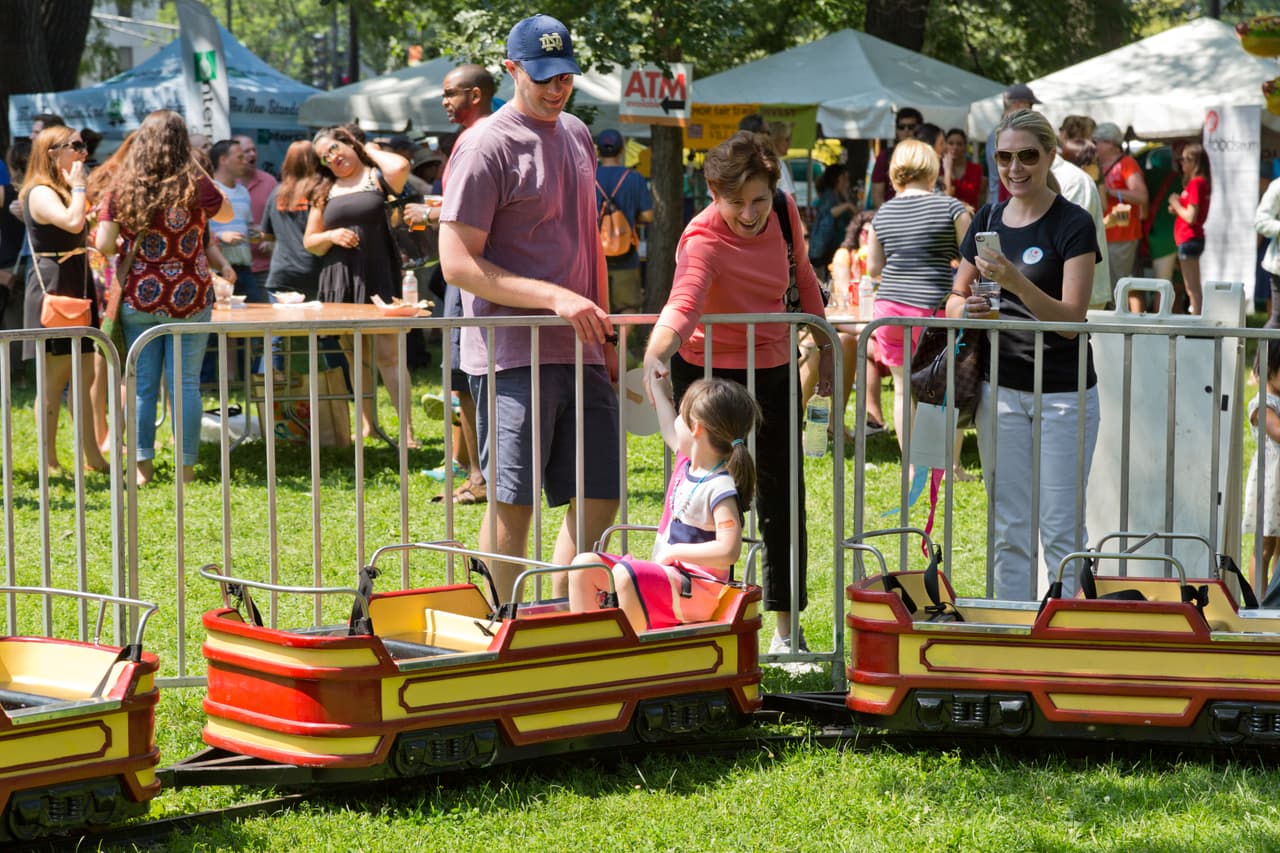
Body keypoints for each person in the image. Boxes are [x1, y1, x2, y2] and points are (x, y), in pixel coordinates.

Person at [437, 14, 619, 603]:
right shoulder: (484, 143)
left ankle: (555, 612)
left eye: (565, 75)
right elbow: (458, 264)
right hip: (511, 352)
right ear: (511, 70)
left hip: (583, 347)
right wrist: (554, 298)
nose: (556, 87)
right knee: (512, 502)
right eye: (542, 76)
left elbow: (587, 244)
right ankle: (498, 624)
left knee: (600, 492)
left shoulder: (577, 134)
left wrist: (605, 335)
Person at [642, 130, 831, 655]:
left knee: (781, 496)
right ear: (711, 193)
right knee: (702, 501)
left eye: (759, 201)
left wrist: (825, 343)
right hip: (707, 376)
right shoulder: (700, 239)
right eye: (735, 203)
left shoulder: (786, 212)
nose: (749, 214)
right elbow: (684, 302)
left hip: (771, 367)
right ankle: (699, 618)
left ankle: (786, 634)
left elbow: (805, 278)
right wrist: (656, 352)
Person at [947, 109, 1101, 601]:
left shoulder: (1073, 222)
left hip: (1064, 394)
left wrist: (1014, 280)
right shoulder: (988, 218)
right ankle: (1010, 642)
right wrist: (964, 307)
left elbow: (1072, 322)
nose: (1014, 167)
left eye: (1027, 156)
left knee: (1061, 530)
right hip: (1001, 390)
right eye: (1004, 156)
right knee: (1009, 527)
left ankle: (1069, 645)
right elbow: (953, 299)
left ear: (1050, 155)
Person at [94, 110, 233, 485]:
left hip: (140, 295)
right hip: (190, 295)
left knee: (142, 386)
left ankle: (142, 470)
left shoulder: (122, 187)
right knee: (185, 384)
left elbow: (104, 244)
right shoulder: (195, 185)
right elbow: (228, 213)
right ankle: (186, 471)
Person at [568, 377, 760, 633]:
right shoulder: (687, 464)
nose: (675, 422)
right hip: (673, 578)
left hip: (698, 588)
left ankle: (626, 654)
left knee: (627, 575)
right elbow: (668, 427)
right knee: (585, 566)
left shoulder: (719, 487)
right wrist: (658, 390)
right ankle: (589, 644)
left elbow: (729, 550)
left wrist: (676, 552)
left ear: (697, 429)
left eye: (680, 415)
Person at [408, 62, 496, 506]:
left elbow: (478, 214)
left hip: (471, 279)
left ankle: (481, 477)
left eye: (450, 93)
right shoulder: (484, 137)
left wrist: (429, 214)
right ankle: (474, 472)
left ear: (475, 95)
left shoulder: (482, 138)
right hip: (467, 279)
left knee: (468, 377)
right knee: (463, 378)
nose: (444, 101)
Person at [865, 139, 973, 478]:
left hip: (890, 307)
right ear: (933, 169)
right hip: (935, 308)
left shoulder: (883, 212)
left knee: (901, 388)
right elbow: (972, 258)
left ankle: (912, 465)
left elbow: (872, 268)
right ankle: (950, 465)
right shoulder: (952, 208)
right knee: (946, 391)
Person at [303, 125, 415, 444]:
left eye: (336, 149)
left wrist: (364, 149)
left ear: (349, 144)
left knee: (389, 355)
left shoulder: (377, 178)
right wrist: (330, 235)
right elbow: (310, 241)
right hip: (340, 278)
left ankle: (406, 431)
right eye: (325, 157)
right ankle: (368, 424)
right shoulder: (324, 191)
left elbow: (401, 166)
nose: (332, 158)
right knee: (355, 356)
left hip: (380, 275)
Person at [22, 125, 109, 475]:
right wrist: (78, 186)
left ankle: (92, 456)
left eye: (83, 145)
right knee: (54, 381)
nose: (82, 152)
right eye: (74, 146)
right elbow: (73, 223)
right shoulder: (40, 191)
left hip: (76, 284)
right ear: (51, 152)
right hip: (54, 290)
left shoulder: (60, 189)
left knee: (85, 376)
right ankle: (49, 461)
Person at [595, 128, 654, 314]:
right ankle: (620, 344)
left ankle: (600, 344)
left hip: (593, 255)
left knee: (594, 308)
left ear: (598, 151)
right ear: (621, 151)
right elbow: (648, 216)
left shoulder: (587, 177)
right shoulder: (634, 178)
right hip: (626, 253)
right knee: (628, 307)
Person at [208, 138, 269, 305]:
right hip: (218, 271)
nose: (245, 161)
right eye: (239, 157)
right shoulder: (209, 189)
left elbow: (247, 226)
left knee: (253, 323)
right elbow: (200, 229)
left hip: (245, 268)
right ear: (223, 159)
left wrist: (257, 233)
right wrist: (220, 236)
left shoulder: (242, 191)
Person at [261, 140, 323, 301]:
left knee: (282, 326)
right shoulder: (319, 192)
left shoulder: (277, 193)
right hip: (314, 273)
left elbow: (267, 236)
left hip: (281, 273)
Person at [1093, 121, 1149, 292]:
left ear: (1110, 143)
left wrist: (1111, 192)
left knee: (1117, 285)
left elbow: (1141, 196)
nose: (1093, 146)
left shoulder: (1127, 164)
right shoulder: (1095, 165)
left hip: (1121, 236)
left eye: (1096, 142)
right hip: (1102, 234)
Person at [1244, 343, 1280, 581]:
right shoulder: (1263, 404)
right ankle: (1259, 602)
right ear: (1269, 369)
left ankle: (1275, 601)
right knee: (1264, 547)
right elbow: (1276, 431)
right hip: (1271, 484)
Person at [1169, 142, 1210, 315]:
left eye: (1185, 159)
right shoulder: (1199, 183)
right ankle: (1197, 318)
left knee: (1191, 287)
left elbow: (1191, 217)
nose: (1181, 163)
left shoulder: (1196, 183)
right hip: (1190, 238)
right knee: (1192, 286)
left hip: (1189, 238)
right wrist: (1179, 206)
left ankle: (1196, 322)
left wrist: (1175, 203)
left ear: (1195, 162)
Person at [233, 134, 278, 288]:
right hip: (232, 267)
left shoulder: (269, 182)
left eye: (254, 150)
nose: (252, 154)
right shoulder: (227, 184)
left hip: (265, 268)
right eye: (246, 151)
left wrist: (270, 236)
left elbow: (280, 221)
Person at [986, 85, 1038, 204]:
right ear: (1019, 104)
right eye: (1030, 105)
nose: (1032, 110)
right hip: (1005, 206)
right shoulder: (1005, 134)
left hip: (1001, 204)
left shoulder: (997, 133)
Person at [807, 163, 855, 282]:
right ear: (839, 179)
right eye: (845, 178)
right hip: (826, 245)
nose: (847, 182)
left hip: (831, 244)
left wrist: (846, 198)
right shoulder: (829, 195)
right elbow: (829, 212)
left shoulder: (837, 194)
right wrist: (847, 205)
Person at [871, 107, 922, 208]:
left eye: (911, 127)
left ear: (919, 129)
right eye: (901, 127)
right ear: (896, 130)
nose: (906, 131)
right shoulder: (885, 156)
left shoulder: (927, 156)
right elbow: (877, 196)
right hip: (892, 214)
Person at [944, 128, 984, 209]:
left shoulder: (975, 169)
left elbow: (971, 195)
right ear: (945, 145)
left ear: (965, 147)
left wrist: (951, 179)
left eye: (959, 144)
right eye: (951, 143)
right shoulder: (939, 169)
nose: (955, 147)